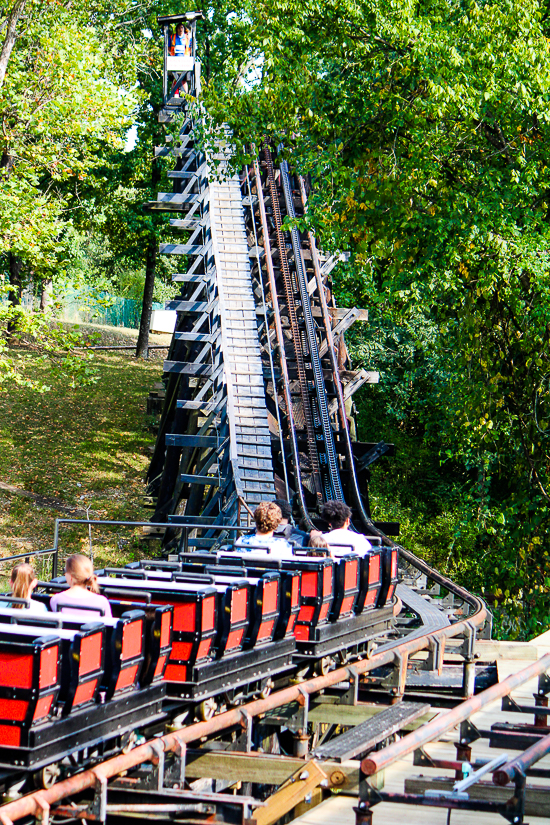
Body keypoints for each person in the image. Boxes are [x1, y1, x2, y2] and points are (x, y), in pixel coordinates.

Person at [50, 554, 112, 619]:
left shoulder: (56, 599)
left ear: (71, 575)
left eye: (65, 571)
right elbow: (108, 627)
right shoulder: (102, 601)